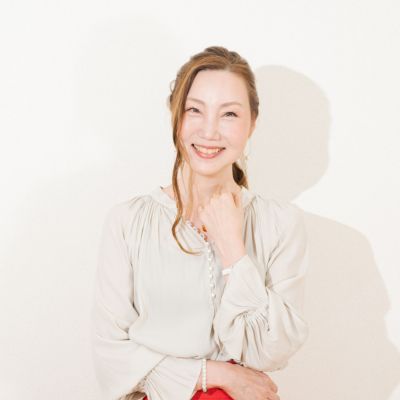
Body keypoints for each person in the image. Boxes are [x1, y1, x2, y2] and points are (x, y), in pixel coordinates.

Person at [91, 46, 309, 400]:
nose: (209, 131)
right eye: (194, 110)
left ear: (252, 123)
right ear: (175, 114)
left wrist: (232, 248)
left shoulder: (281, 224)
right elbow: (110, 355)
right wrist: (217, 374)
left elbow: (271, 350)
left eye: (229, 114)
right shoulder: (128, 222)